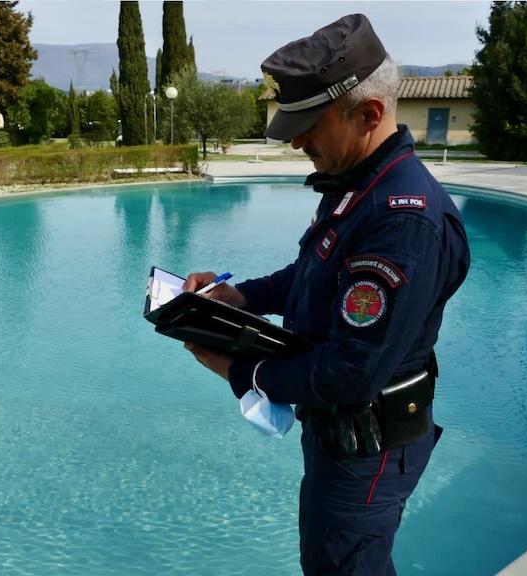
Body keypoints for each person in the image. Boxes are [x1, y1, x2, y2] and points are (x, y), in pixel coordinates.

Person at [182, 13, 471, 576]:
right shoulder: (360, 186)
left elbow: (351, 369)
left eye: (310, 123)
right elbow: (311, 273)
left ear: (369, 113)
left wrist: (244, 372)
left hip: (366, 447)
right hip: (344, 437)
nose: (295, 140)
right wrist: (234, 298)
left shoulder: (402, 221)